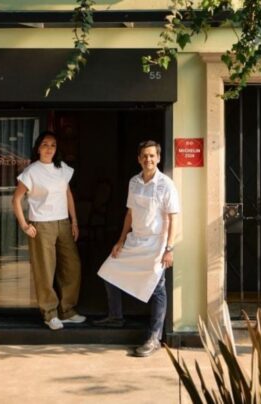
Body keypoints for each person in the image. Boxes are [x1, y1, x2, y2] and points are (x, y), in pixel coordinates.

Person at [95, 140, 180, 357]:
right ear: (139, 159)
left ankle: (154, 337)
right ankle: (116, 317)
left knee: (158, 288)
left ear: (158, 158)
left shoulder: (166, 184)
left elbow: (173, 218)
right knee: (108, 271)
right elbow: (130, 214)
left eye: (152, 156)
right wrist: (121, 240)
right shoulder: (134, 182)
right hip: (135, 240)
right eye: (144, 156)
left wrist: (169, 248)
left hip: (157, 244)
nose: (148, 159)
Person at [12, 131, 86, 330]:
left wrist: (74, 221)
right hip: (42, 225)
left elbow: (68, 194)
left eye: (53, 145)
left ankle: (67, 310)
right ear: (38, 148)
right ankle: (50, 314)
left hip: (63, 223)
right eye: (45, 144)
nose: (49, 148)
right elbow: (16, 199)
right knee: (45, 271)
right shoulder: (31, 172)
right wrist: (24, 225)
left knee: (72, 266)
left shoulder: (61, 168)